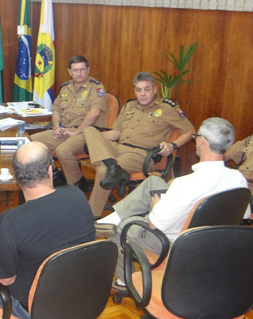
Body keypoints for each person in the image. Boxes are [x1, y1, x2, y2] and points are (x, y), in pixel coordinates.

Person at [98, 118, 249, 289]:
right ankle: (110, 219)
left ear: (204, 142)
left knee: (121, 227)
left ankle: (127, 281)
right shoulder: (239, 179)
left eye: (197, 136)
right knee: (153, 182)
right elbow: (245, 214)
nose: (196, 140)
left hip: (172, 242)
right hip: (212, 241)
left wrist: (157, 207)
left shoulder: (185, 184)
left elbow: (154, 224)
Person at [0, 142, 95, 319]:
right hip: (83, 298)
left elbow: (5, 279)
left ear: (16, 177)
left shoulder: (12, 221)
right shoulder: (77, 195)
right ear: (50, 170)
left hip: (37, 309)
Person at [82, 72, 195, 217]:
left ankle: (92, 215)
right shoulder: (129, 105)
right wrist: (95, 140)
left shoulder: (167, 108)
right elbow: (116, 133)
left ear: (154, 90)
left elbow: (190, 131)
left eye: (146, 89)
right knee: (89, 130)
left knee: (103, 170)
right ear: (134, 91)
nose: (142, 94)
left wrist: (172, 146)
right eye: (139, 90)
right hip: (118, 147)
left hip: (140, 154)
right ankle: (113, 167)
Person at [30, 55, 108, 190]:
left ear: (88, 70)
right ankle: (56, 174)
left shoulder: (95, 87)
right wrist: (55, 127)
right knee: (30, 142)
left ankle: (77, 183)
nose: (79, 73)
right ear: (69, 72)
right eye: (75, 70)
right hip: (64, 130)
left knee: (63, 151)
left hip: (85, 133)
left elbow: (94, 113)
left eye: (82, 69)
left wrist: (75, 132)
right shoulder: (65, 88)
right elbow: (56, 111)